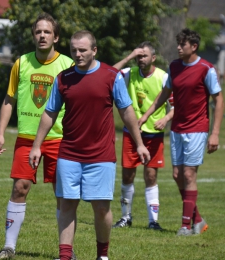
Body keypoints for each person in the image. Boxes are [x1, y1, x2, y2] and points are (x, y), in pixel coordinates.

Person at [29, 30, 151, 260]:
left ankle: (102, 256)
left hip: (101, 157)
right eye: (74, 50)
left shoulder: (111, 76)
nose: (77, 54)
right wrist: (37, 146)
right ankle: (66, 256)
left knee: (102, 209)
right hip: (69, 154)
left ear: (94, 50)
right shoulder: (63, 78)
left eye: (82, 50)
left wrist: (139, 144)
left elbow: (126, 112)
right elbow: (49, 113)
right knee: (66, 205)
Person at [0, 13, 74, 259]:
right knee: (20, 188)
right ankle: (9, 247)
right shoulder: (22, 63)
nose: (42, 35)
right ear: (33, 36)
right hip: (26, 138)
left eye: (47, 32)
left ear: (56, 37)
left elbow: (77, 102)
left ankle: (66, 252)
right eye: (38, 31)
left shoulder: (68, 66)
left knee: (62, 195)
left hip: (58, 138)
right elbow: (9, 99)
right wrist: (0, 133)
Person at [138, 28, 224, 236]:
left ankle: (186, 226)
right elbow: (164, 94)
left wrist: (215, 133)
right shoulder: (174, 67)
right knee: (177, 175)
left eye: (182, 44)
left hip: (197, 129)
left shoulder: (206, 68)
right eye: (178, 43)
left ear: (193, 47)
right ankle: (198, 220)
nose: (178, 47)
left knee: (188, 174)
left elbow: (218, 100)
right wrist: (146, 115)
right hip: (177, 128)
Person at [112, 41, 174, 230]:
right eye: (138, 56)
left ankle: (153, 221)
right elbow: (108, 72)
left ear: (153, 58)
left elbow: (176, 107)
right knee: (127, 175)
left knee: (150, 176)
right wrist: (129, 56)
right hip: (132, 133)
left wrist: (165, 119)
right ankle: (125, 218)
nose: (140, 59)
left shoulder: (163, 77)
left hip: (154, 134)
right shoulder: (129, 73)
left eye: (144, 55)